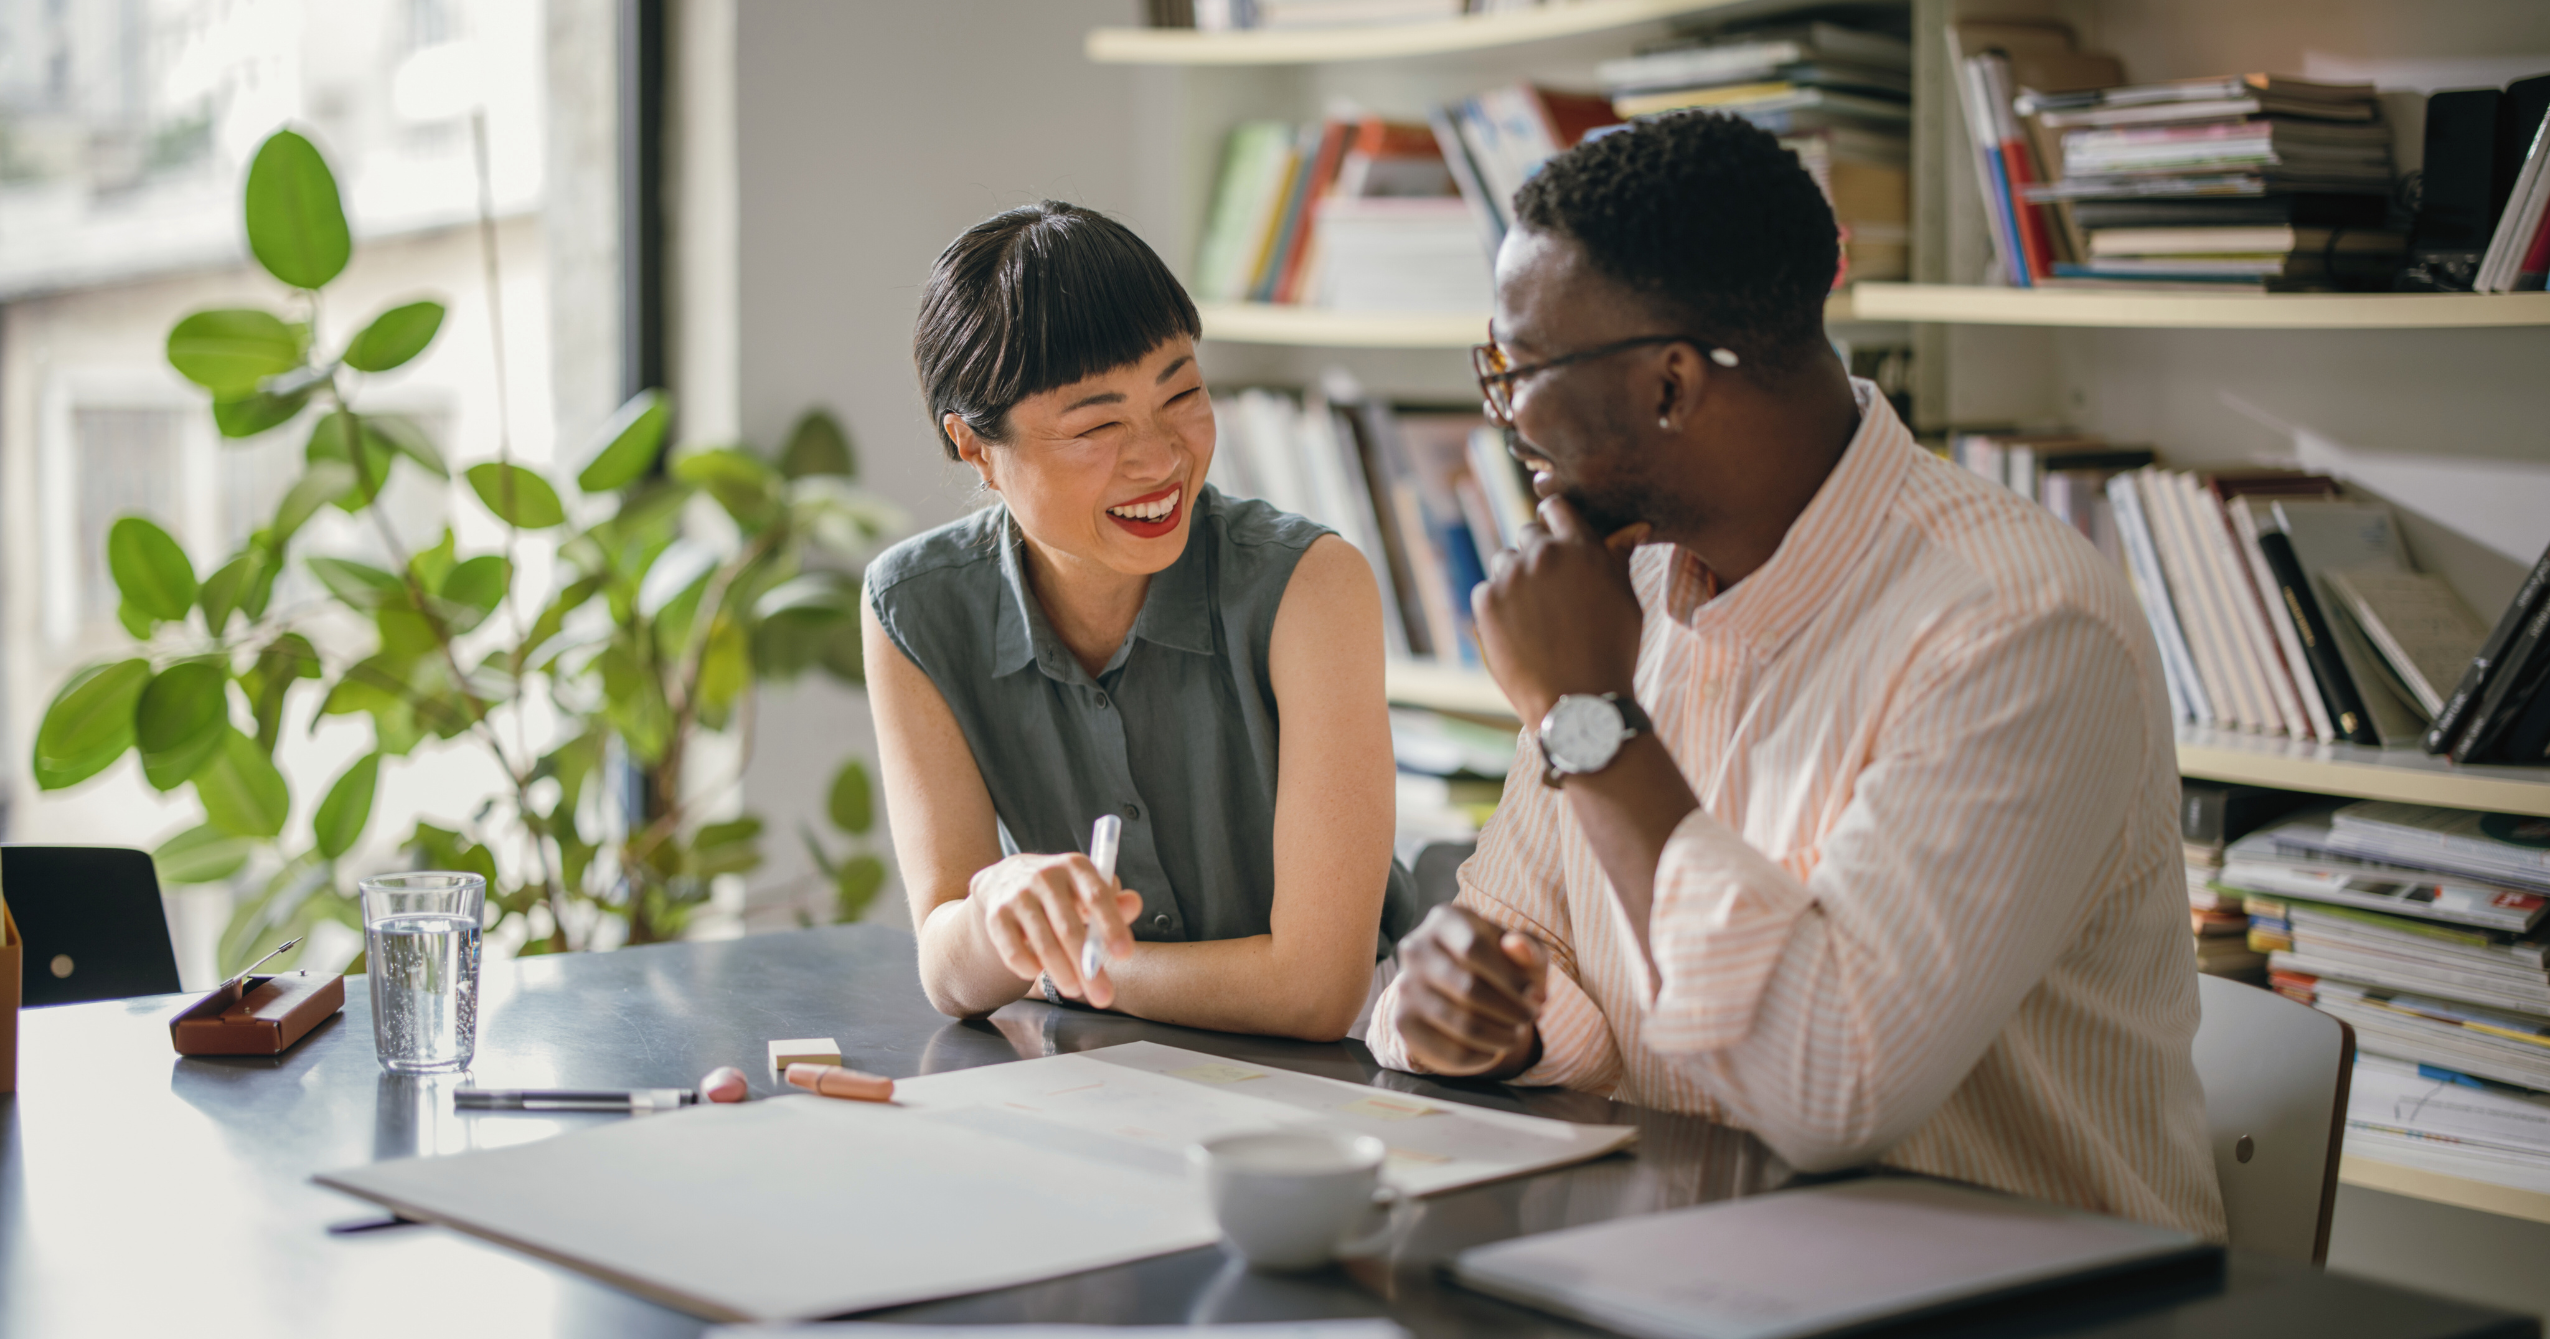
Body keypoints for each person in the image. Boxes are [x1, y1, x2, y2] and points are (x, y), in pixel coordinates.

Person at [1370, 114, 2226, 1238]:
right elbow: (1545, 956)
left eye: (1519, 369)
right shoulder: (1619, 587)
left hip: (2010, 1296)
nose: (1509, 419)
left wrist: (1590, 718)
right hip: (1701, 1256)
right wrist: (1493, 1018)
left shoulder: (2018, 628)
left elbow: (1832, 1086)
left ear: (1671, 385)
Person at [864, 201, 1416, 1041]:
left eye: (1182, 393)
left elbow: (1316, 991)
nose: (1161, 459)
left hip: (1352, 1066)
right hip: (1105, 1072)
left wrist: (1062, 965)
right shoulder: (914, 605)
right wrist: (993, 911)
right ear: (976, 449)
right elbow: (948, 967)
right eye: (1096, 425)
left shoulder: (1310, 584)